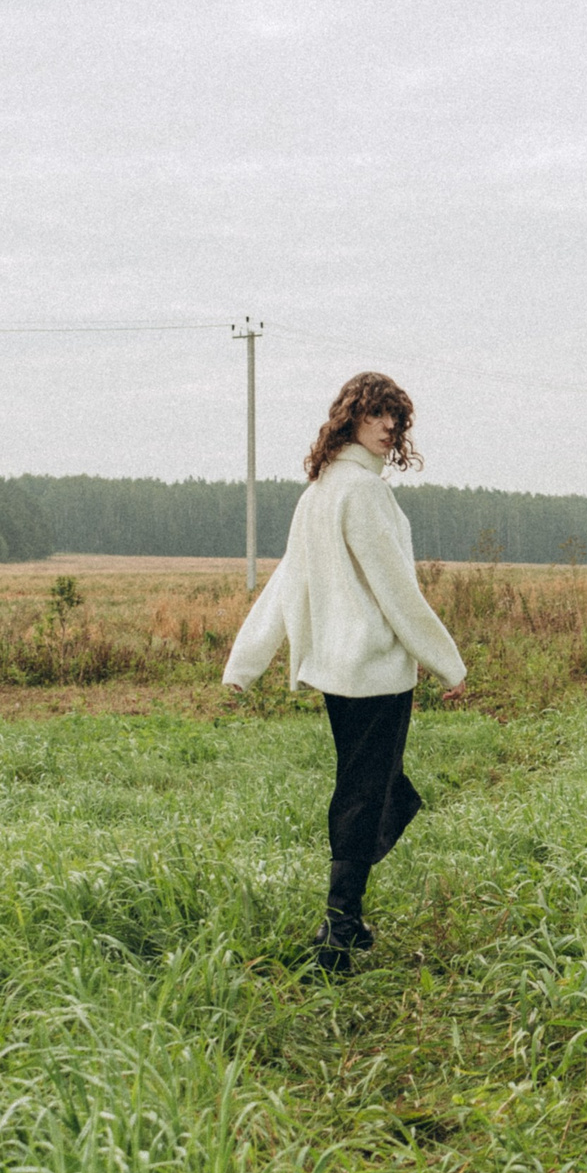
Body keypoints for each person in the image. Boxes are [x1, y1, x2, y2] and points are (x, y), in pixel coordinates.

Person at [222, 370, 466, 971]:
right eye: (376, 414)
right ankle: (337, 931)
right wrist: (447, 664)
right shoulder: (361, 493)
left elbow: (284, 580)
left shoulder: (320, 492)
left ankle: (347, 923)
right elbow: (397, 592)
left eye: (396, 418)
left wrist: (243, 665)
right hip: (375, 671)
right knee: (366, 791)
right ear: (349, 418)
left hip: (338, 672)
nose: (388, 427)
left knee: (376, 785)